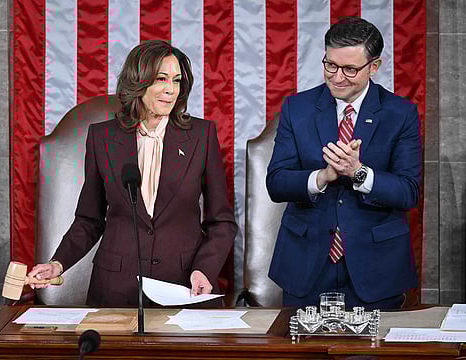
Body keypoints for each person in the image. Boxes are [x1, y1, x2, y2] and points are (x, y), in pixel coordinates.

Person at [28, 40, 237, 307]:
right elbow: (89, 219)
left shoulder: (201, 136)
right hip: (116, 289)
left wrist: (204, 269)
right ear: (138, 81)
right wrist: (58, 264)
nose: (170, 90)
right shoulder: (102, 137)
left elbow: (222, 222)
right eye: (161, 79)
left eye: (176, 81)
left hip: (184, 286)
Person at [266, 17, 421, 310]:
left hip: (376, 269)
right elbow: (276, 182)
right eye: (330, 65)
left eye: (350, 69)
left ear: (374, 66)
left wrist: (358, 173)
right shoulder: (296, 108)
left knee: (370, 357)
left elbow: (408, 191)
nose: (337, 77)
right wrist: (322, 177)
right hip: (306, 265)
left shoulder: (400, 114)